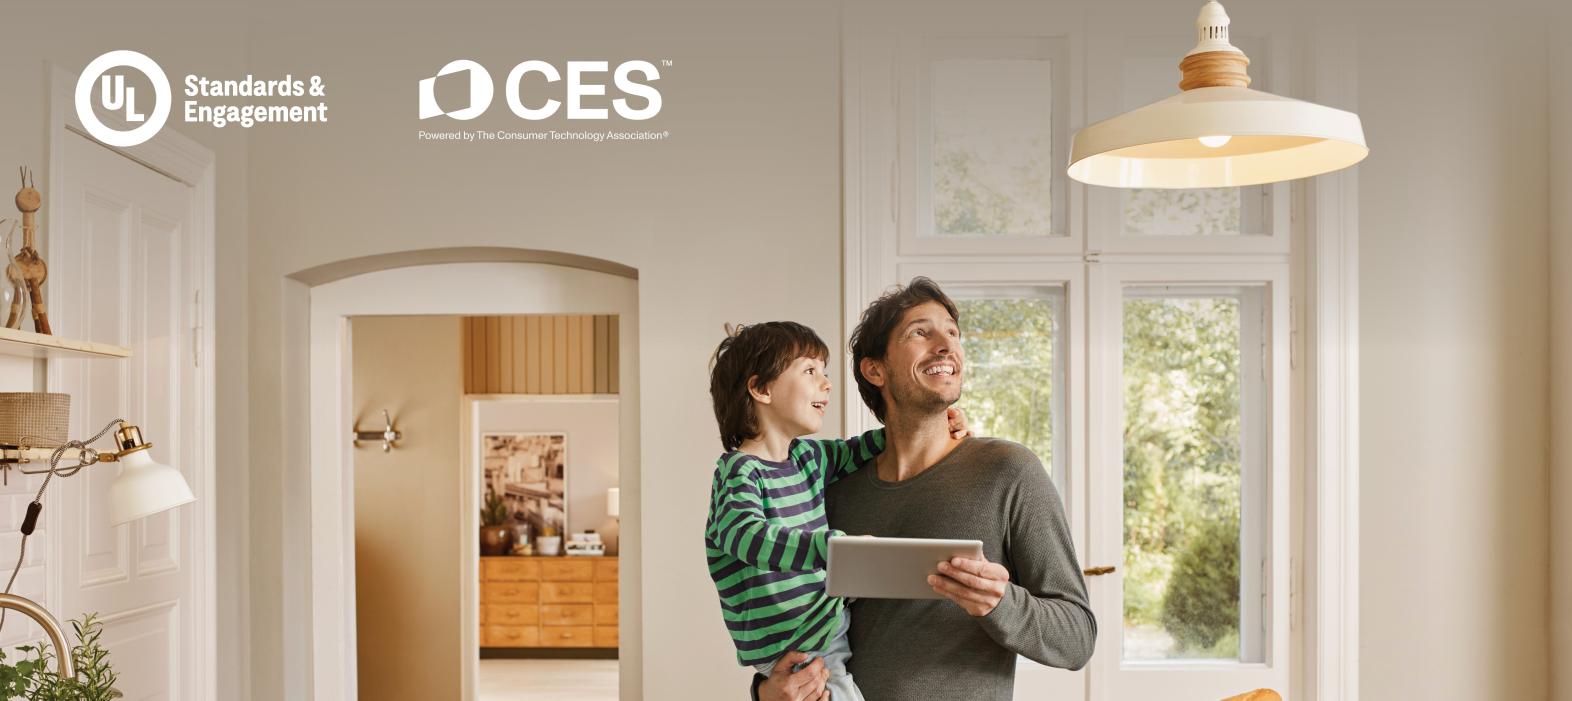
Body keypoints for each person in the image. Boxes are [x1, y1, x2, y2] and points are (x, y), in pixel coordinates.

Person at [754, 278, 1097, 701]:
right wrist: (767, 691)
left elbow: (1076, 638)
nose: (946, 345)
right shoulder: (830, 490)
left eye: (953, 333)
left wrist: (1001, 602)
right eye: (921, 331)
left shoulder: (1008, 471)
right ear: (874, 368)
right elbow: (784, 617)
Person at [705, 321, 968, 701]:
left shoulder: (808, 457)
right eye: (810, 371)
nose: (826, 384)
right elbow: (744, 536)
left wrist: (935, 426)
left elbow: (866, 447)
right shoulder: (740, 471)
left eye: (824, 373)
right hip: (795, 648)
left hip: (819, 630)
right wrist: (831, 550)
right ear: (761, 388)